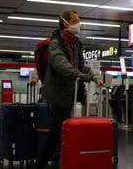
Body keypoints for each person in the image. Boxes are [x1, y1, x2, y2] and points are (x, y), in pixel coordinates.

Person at [36, 9, 103, 168]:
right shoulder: (55, 43)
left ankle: (40, 164)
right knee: (66, 135)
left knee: (55, 133)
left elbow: (81, 66)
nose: (78, 24)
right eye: (74, 21)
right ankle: (67, 164)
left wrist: (93, 75)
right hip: (57, 95)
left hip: (69, 95)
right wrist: (81, 76)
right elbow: (61, 66)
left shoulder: (76, 44)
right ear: (64, 23)